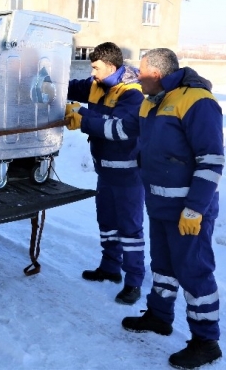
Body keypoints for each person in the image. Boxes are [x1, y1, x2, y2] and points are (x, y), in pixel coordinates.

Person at [122, 48, 223, 369]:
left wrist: (195, 209)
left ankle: (206, 341)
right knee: (163, 266)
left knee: (194, 272)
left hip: (187, 211)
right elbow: (133, 133)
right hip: (160, 204)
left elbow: (212, 160)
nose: (138, 78)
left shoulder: (197, 102)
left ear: (158, 74)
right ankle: (159, 316)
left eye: (142, 72)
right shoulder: (154, 101)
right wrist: (85, 120)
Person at [65, 42, 145, 305]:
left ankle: (133, 282)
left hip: (128, 175)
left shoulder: (132, 93)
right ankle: (110, 268)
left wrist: (82, 117)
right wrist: (46, 81)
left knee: (130, 230)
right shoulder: (96, 85)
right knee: (107, 223)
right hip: (106, 172)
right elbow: (69, 86)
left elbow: (118, 129)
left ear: (111, 67)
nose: (93, 72)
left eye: (96, 67)